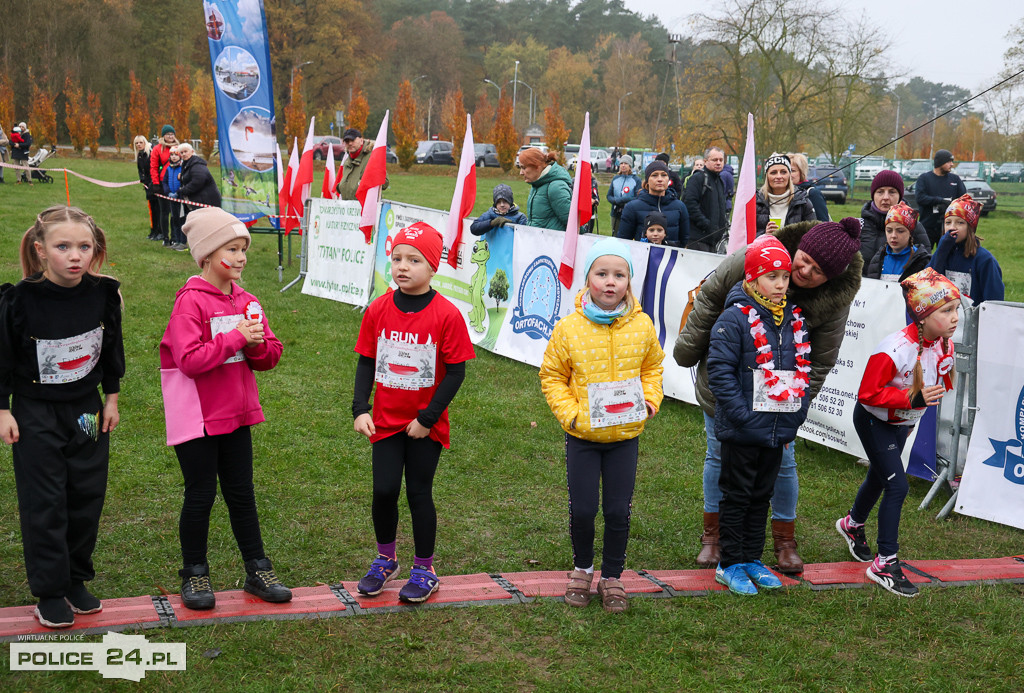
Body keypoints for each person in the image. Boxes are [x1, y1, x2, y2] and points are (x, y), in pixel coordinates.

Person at [675, 218, 863, 573]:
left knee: (783, 462)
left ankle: (783, 540)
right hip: (730, 382)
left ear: (833, 278)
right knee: (719, 454)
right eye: (803, 259)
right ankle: (714, 537)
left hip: (781, 398)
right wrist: (687, 351)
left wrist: (796, 410)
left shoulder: (836, 299)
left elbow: (821, 360)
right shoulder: (754, 255)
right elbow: (711, 300)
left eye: (818, 271)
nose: (804, 271)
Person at [159, 207, 291, 610]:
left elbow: (269, 357)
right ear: (206, 254)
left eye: (243, 249)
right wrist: (235, 338)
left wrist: (255, 345)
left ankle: (258, 570)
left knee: (241, 494)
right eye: (230, 249)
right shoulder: (190, 304)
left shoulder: (247, 301)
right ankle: (194, 575)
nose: (240, 257)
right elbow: (190, 360)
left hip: (236, 415)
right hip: (198, 419)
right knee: (200, 495)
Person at [0, 206, 124, 628]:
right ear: (40, 250)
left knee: (86, 494)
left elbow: (111, 349)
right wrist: (3, 409)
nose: (75, 256)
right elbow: (2, 359)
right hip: (35, 414)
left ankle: (75, 579)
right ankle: (50, 591)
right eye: (63, 247)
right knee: (46, 500)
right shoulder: (18, 301)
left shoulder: (103, 293)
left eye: (84, 246)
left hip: (88, 411)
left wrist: (112, 398)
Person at [539, 238, 664, 613]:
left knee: (616, 510)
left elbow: (652, 367)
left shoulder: (642, 326)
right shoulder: (568, 328)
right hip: (583, 437)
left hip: (625, 437)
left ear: (629, 281)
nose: (611, 282)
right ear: (588, 278)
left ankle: (612, 576)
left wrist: (651, 400)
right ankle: (582, 568)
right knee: (582, 509)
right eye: (602, 273)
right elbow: (552, 376)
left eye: (619, 275)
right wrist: (571, 415)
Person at [352, 223, 475, 603]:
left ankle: (424, 568)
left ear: (433, 267)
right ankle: (385, 559)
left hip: (425, 427)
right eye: (397, 258)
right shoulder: (378, 309)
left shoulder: (446, 315)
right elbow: (366, 360)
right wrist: (360, 408)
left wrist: (427, 418)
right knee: (384, 490)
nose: (403, 267)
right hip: (386, 422)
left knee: (419, 492)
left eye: (414, 260)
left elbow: (456, 372)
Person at [835, 268, 959, 598]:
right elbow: (867, 394)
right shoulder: (893, 348)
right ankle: (885, 562)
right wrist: (913, 397)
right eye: (946, 311)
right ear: (922, 315)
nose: (954, 317)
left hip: (903, 422)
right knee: (897, 484)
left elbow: (942, 379)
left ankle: (851, 525)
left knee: (880, 476)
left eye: (956, 310)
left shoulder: (943, 344)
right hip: (875, 420)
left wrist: (942, 381)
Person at [707, 235, 811, 595]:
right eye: (772, 277)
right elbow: (719, 371)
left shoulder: (793, 321)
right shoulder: (733, 318)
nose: (781, 284)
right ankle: (729, 562)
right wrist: (741, 415)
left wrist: (797, 412)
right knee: (736, 495)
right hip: (742, 430)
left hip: (776, 428)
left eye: (784, 277)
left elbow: (802, 370)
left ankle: (752, 557)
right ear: (752, 279)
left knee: (761, 495)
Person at [928, 194, 1004, 305]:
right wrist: (941, 250)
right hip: (945, 319)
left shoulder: (984, 260)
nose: (952, 227)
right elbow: (927, 284)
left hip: (973, 320)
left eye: (960, 223)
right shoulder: (942, 254)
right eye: (948, 222)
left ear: (970, 228)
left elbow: (994, 302)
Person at [858, 170, 930, 268]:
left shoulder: (914, 226)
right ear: (873, 195)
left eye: (892, 192)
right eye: (880, 192)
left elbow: (925, 264)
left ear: (900, 196)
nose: (886, 197)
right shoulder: (859, 226)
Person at [616, 161, 689, 246]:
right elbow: (623, 241)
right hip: (641, 257)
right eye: (654, 175)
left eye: (664, 175)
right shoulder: (632, 207)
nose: (660, 179)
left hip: (670, 258)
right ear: (647, 180)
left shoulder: (680, 207)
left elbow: (684, 239)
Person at [865, 202, 930, 282]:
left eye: (900, 231)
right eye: (889, 231)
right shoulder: (878, 259)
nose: (893, 235)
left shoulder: (922, 261)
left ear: (910, 233)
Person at [915, 149, 967, 248]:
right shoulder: (924, 178)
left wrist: (950, 205)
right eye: (949, 162)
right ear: (940, 163)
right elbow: (920, 198)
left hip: (948, 228)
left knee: (947, 258)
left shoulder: (955, 179)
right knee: (923, 258)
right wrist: (939, 201)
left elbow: (963, 200)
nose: (952, 164)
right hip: (927, 227)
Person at [755, 154, 815, 236]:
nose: (779, 176)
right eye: (773, 172)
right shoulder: (755, 202)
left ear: (789, 175)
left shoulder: (803, 201)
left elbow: (813, 235)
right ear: (767, 176)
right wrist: (764, 235)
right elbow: (744, 237)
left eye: (783, 172)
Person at [684, 146, 729, 252]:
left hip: (713, 240)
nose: (718, 163)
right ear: (705, 161)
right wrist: (706, 225)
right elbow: (690, 204)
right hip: (698, 239)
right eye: (714, 160)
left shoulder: (720, 181)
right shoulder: (697, 178)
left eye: (721, 160)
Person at [520, 147, 572, 231]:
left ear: (537, 166)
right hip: (538, 242)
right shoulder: (537, 184)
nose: (521, 173)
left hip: (554, 243)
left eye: (524, 168)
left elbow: (573, 224)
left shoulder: (555, 187)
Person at [335, 128, 388, 201]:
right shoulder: (347, 160)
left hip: (366, 208)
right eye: (347, 141)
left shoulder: (372, 157)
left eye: (352, 140)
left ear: (361, 140)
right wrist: (341, 186)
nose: (350, 143)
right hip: (348, 208)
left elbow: (384, 183)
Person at [150, 125, 179, 244]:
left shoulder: (179, 147)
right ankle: (165, 237)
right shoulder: (157, 149)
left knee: (175, 212)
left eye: (172, 134)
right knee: (164, 211)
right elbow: (153, 167)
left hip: (176, 183)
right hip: (163, 183)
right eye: (168, 134)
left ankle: (174, 237)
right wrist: (156, 183)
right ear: (163, 136)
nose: (170, 136)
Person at [787, 153, 829, 224]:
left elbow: (823, 224)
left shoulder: (813, 194)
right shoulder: (781, 193)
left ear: (802, 172)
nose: (788, 174)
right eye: (785, 171)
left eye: (793, 171)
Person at [606, 154, 642, 235]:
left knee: (627, 236)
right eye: (621, 163)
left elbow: (637, 197)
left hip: (629, 213)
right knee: (615, 235)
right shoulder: (615, 179)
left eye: (625, 163)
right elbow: (609, 196)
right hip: (615, 213)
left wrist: (622, 200)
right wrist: (615, 201)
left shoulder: (636, 180)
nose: (623, 166)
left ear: (630, 166)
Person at [160, 146, 186, 250]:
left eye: (176, 155)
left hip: (180, 199)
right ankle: (176, 240)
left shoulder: (182, 168)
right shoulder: (169, 168)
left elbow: (184, 182)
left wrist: (178, 192)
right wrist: (168, 192)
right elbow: (165, 181)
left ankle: (183, 242)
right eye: (172, 155)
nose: (174, 157)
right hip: (172, 198)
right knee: (174, 219)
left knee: (181, 220)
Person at [134, 136, 159, 240]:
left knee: (158, 209)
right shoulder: (140, 155)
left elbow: (155, 168)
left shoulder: (151, 152)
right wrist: (142, 179)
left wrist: (153, 183)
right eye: (136, 143)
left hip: (155, 185)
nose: (139, 144)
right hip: (148, 185)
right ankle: (153, 230)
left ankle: (159, 232)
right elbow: (141, 170)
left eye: (141, 142)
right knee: (152, 208)